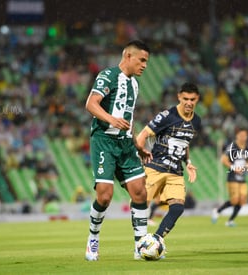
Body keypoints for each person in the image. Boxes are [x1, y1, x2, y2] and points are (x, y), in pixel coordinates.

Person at [84, 40, 151, 261]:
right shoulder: (108, 75)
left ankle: (140, 246)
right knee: (104, 196)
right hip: (104, 140)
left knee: (140, 191)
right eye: (141, 60)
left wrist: (137, 144)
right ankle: (93, 238)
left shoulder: (135, 84)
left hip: (125, 144)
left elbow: (128, 119)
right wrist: (111, 119)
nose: (144, 66)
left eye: (146, 62)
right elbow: (91, 104)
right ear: (128, 56)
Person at [135, 82, 201, 245]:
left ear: (197, 99)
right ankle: (139, 244)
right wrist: (140, 152)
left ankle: (155, 242)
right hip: (155, 166)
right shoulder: (167, 116)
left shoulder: (197, 121)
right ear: (179, 97)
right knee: (141, 205)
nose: (189, 102)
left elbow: (184, 143)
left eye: (192, 99)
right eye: (185, 98)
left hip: (175, 171)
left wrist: (188, 162)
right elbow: (142, 135)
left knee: (178, 208)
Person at [211, 127, 248, 227]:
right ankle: (217, 211)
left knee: (242, 200)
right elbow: (223, 159)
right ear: (237, 136)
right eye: (241, 135)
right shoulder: (232, 147)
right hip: (232, 177)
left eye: (245, 135)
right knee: (235, 200)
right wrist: (234, 168)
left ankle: (230, 221)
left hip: (242, 178)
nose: (244, 137)